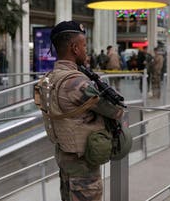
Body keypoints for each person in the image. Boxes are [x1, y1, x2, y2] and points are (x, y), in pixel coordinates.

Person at [34, 21, 125, 201]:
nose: (86, 50)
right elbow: (116, 110)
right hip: (83, 168)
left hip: (66, 161)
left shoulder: (50, 78)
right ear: (74, 48)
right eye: (84, 45)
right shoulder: (76, 83)